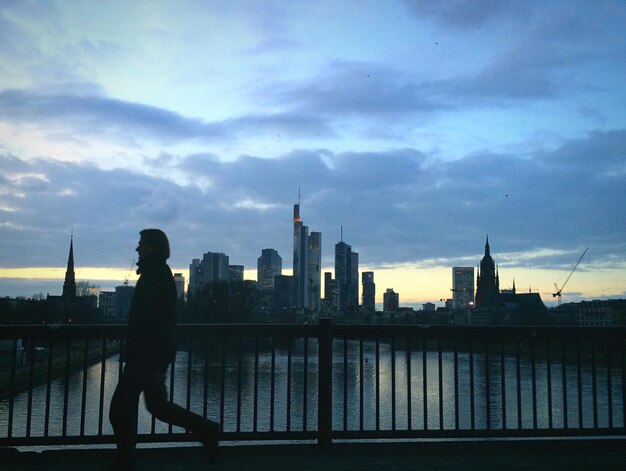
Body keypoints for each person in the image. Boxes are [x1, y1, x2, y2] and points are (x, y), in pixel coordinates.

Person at [107, 229, 219, 471]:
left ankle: (125, 460)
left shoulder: (154, 275)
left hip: (145, 356)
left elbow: (153, 322)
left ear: (154, 247)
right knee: (156, 406)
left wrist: (148, 357)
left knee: (120, 408)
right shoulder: (156, 273)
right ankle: (207, 430)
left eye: (142, 244)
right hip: (151, 355)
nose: (138, 248)